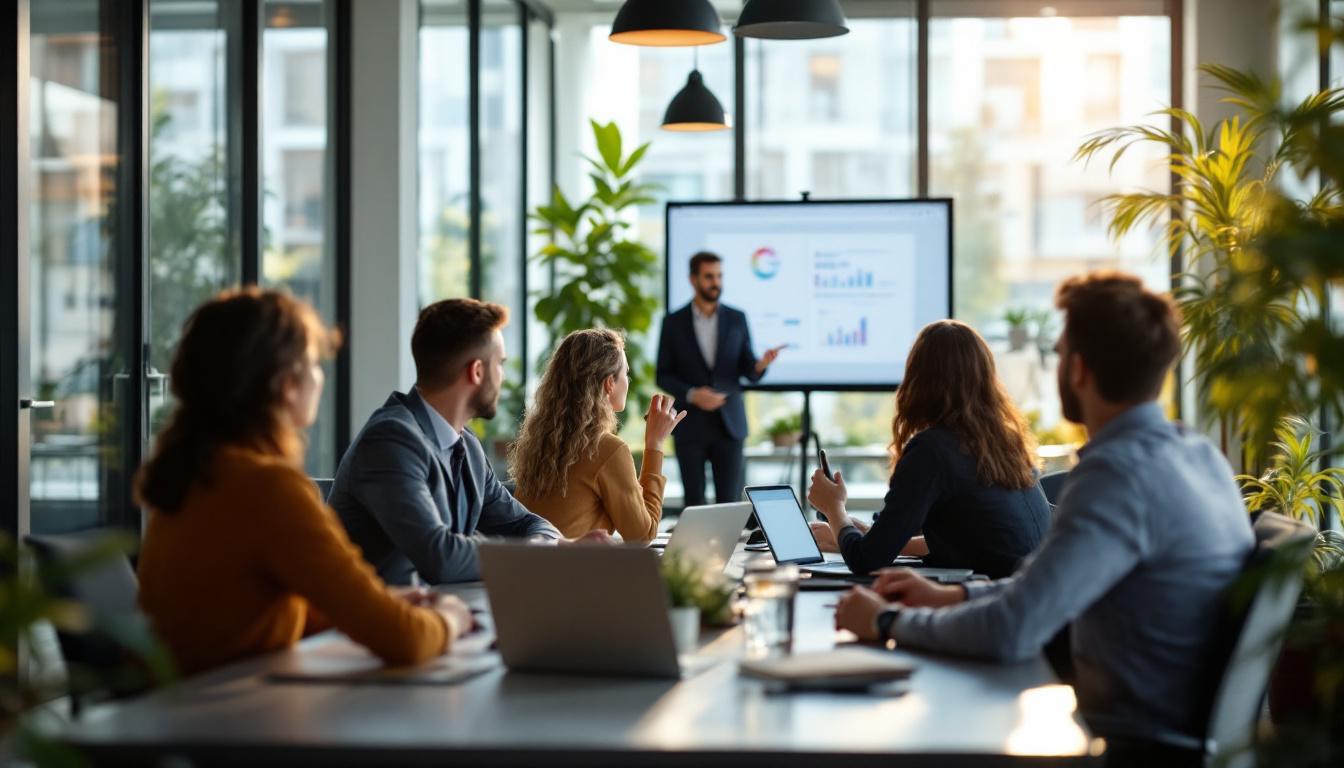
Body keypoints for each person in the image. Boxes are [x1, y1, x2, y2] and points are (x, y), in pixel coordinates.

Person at [833, 272, 1255, 738]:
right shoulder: (1198, 456)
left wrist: (888, 620)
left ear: (1078, 370)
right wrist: (954, 595)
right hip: (1169, 730)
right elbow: (1043, 585)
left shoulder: (1117, 476)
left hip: (1123, 741)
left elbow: (1013, 630)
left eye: (1057, 354)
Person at [136, 289, 472, 676]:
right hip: (224, 721)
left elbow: (260, 610)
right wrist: (451, 617)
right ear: (285, 383)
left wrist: (383, 602)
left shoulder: (200, 472)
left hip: (178, 712)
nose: (320, 376)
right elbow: (405, 640)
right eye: (313, 363)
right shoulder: (266, 487)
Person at [329, 299, 606, 586]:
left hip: (449, 612)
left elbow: (526, 523)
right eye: (500, 364)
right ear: (476, 371)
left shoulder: (467, 446)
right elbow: (441, 558)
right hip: (376, 624)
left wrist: (545, 547)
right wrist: (536, 553)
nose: (503, 376)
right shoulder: (390, 441)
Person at [807, 320, 1050, 579]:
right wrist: (863, 533)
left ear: (917, 380)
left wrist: (835, 509)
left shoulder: (932, 450)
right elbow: (974, 541)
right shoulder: (1004, 443)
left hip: (979, 606)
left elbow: (866, 561)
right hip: (1021, 604)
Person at [509, 329, 687, 542]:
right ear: (609, 383)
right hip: (576, 570)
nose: (628, 381)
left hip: (530, 568)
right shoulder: (607, 449)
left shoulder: (540, 442)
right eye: (626, 374)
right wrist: (655, 444)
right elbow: (642, 535)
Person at [656, 251, 785, 507]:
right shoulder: (673, 322)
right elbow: (663, 374)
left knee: (729, 504)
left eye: (719, 276)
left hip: (729, 426)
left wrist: (760, 365)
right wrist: (693, 394)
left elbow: (748, 369)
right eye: (709, 276)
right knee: (693, 504)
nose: (716, 282)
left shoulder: (737, 318)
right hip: (690, 425)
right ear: (693, 279)